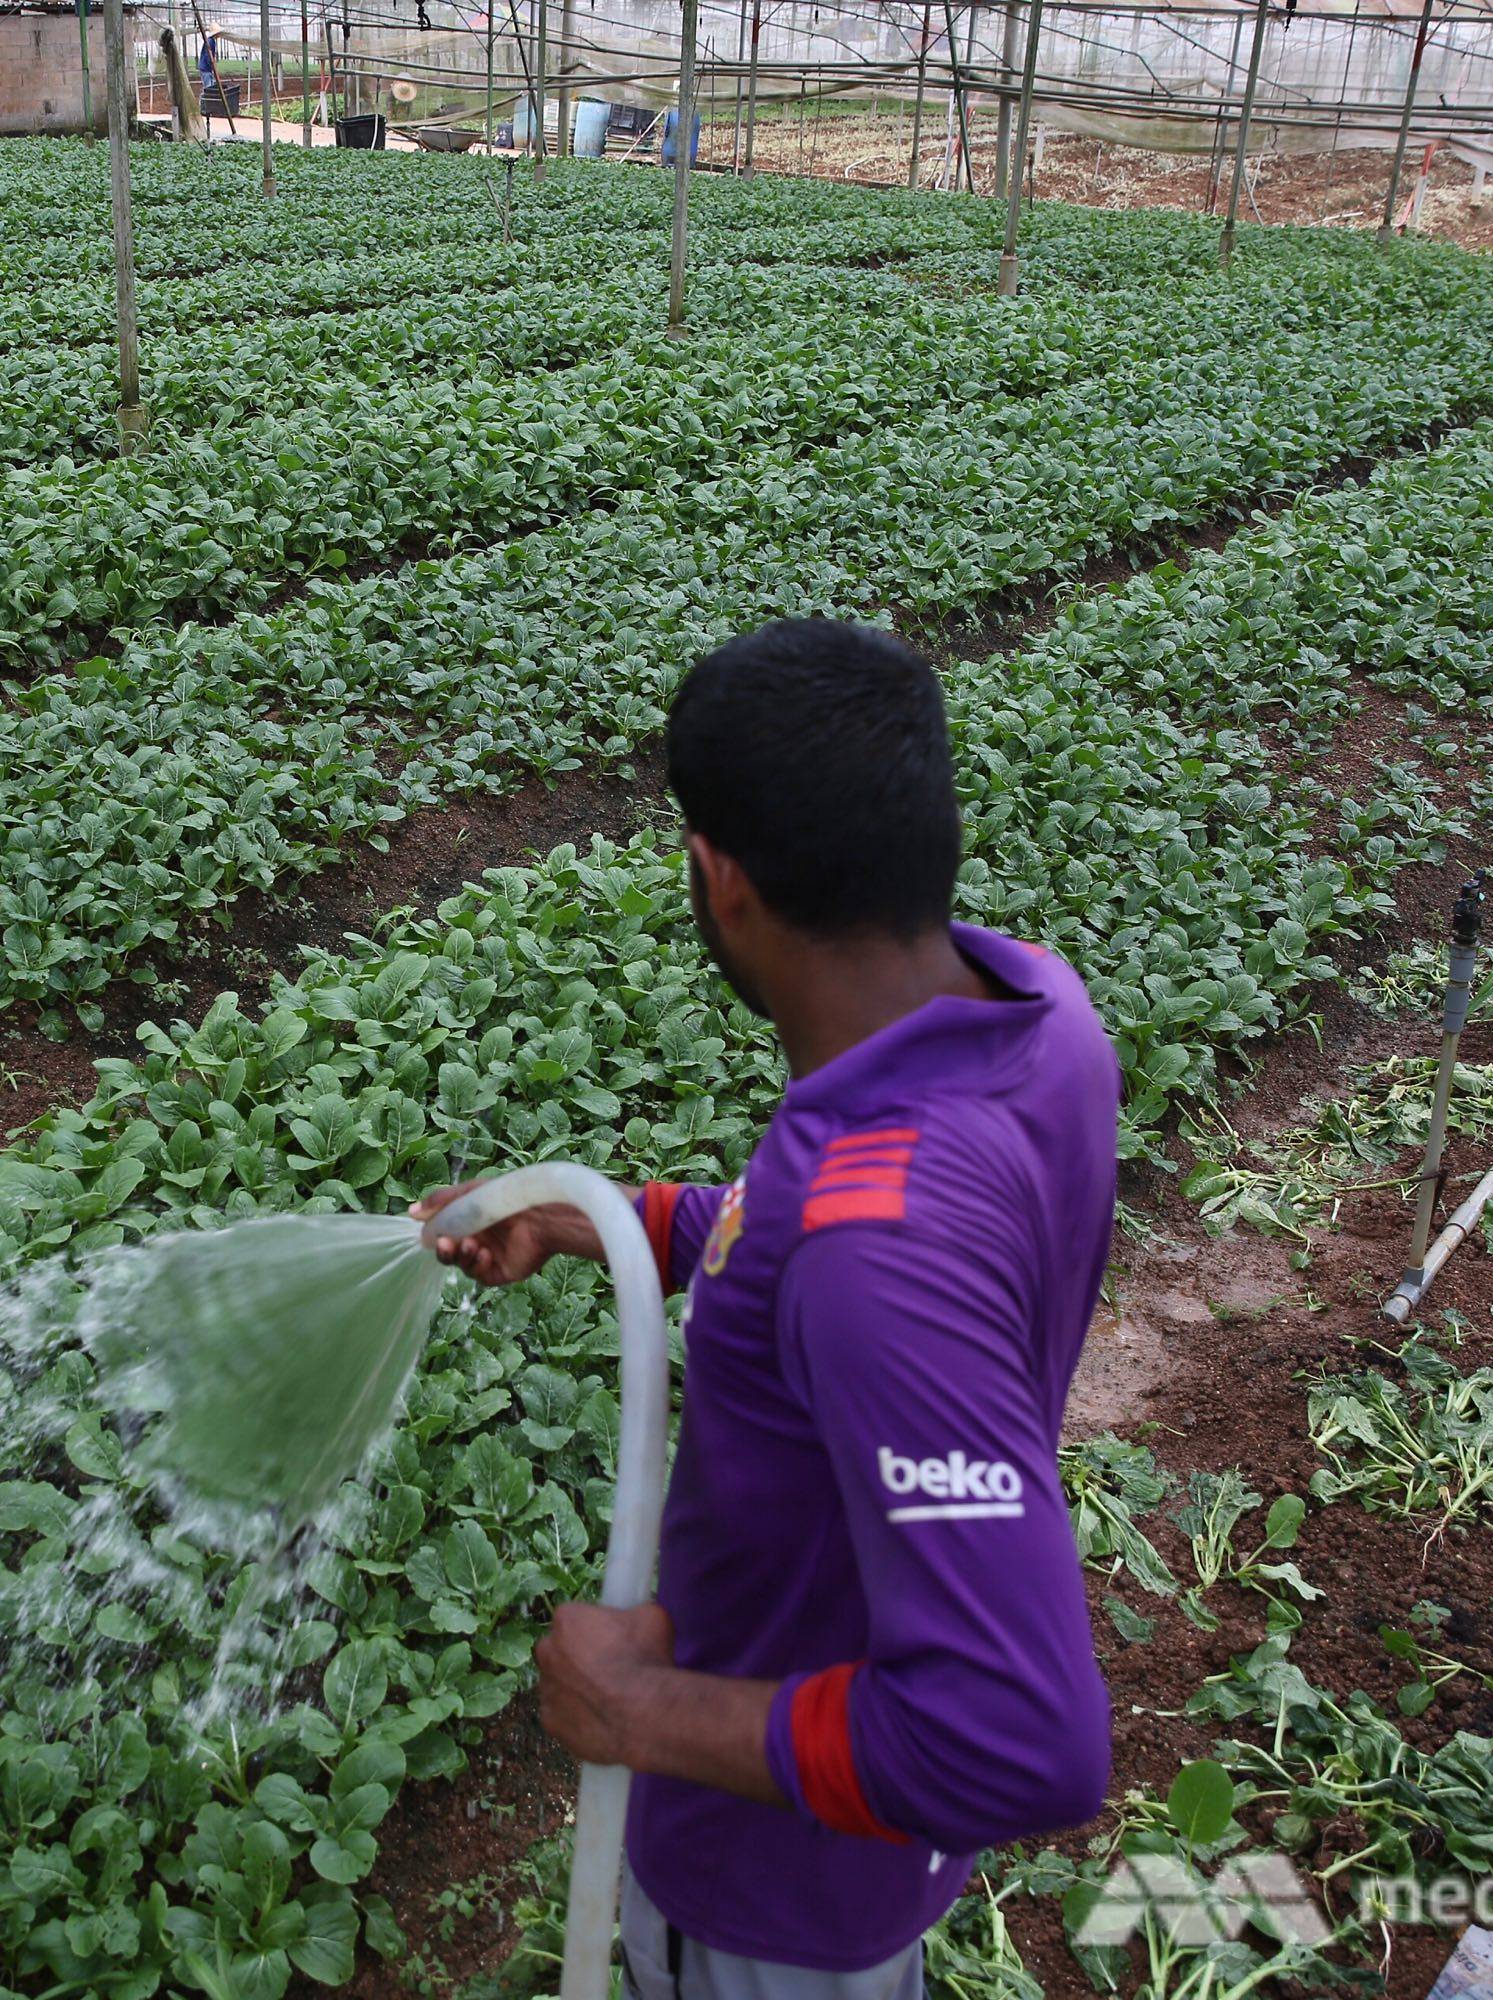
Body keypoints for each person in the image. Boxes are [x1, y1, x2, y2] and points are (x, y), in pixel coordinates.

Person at [415, 619, 1116, 2000]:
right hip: (837, 1846)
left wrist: (642, 1710)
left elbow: (1024, 1740)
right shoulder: (1034, 1011)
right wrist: (613, 1220)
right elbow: (844, 1230)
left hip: (774, 1895)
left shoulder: (876, 1255)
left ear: (721, 880)